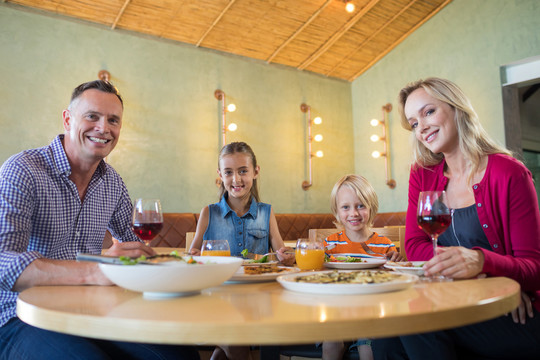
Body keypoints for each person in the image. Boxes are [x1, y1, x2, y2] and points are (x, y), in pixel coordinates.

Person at [0, 80, 199, 360]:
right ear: (68, 119)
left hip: (88, 313)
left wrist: (188, 268)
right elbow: (3, 262)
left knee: (179, 356)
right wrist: (96, 270)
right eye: (92, 116)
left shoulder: (112, 183)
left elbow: (134, 245)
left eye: (113, 120)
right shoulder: (23, 170)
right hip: (19, 317)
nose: (104, 128)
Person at [372, 77, 540, 360]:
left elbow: (534, 266)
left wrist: (482, 263)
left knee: (415, 320)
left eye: (428, 112)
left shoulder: (509, 173)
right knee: (387, 328)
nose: (421, 128)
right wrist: (474, 273)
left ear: (456, 108)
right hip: (453, 300)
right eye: (414, 123)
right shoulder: (423, 174)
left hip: (511, 311)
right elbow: (414, 245)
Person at [189, 141, 294, 360]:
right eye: (228, 172)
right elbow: (191, 258)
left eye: (243, 171)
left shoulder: (267, 212)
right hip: (216, 298)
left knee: (235, 338)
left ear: (256, 172)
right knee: (236, 340)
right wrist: (194, 258)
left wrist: (287, 257)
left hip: (259, 299)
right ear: (220, 174)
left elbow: (281, 255)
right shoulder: (208, 213)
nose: (236, 179)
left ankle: (220, 353)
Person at [322, 174, 403, 360]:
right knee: (330, 345)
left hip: (371, 312)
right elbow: (319, 275)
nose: (354, 213)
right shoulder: (329, 245)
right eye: (345, 207)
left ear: (371, 207)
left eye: (360, 206)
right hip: (337, 311)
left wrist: (395, 263)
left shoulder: (384, 245)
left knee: (368, 349)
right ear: (337, 211)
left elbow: (393, 276)